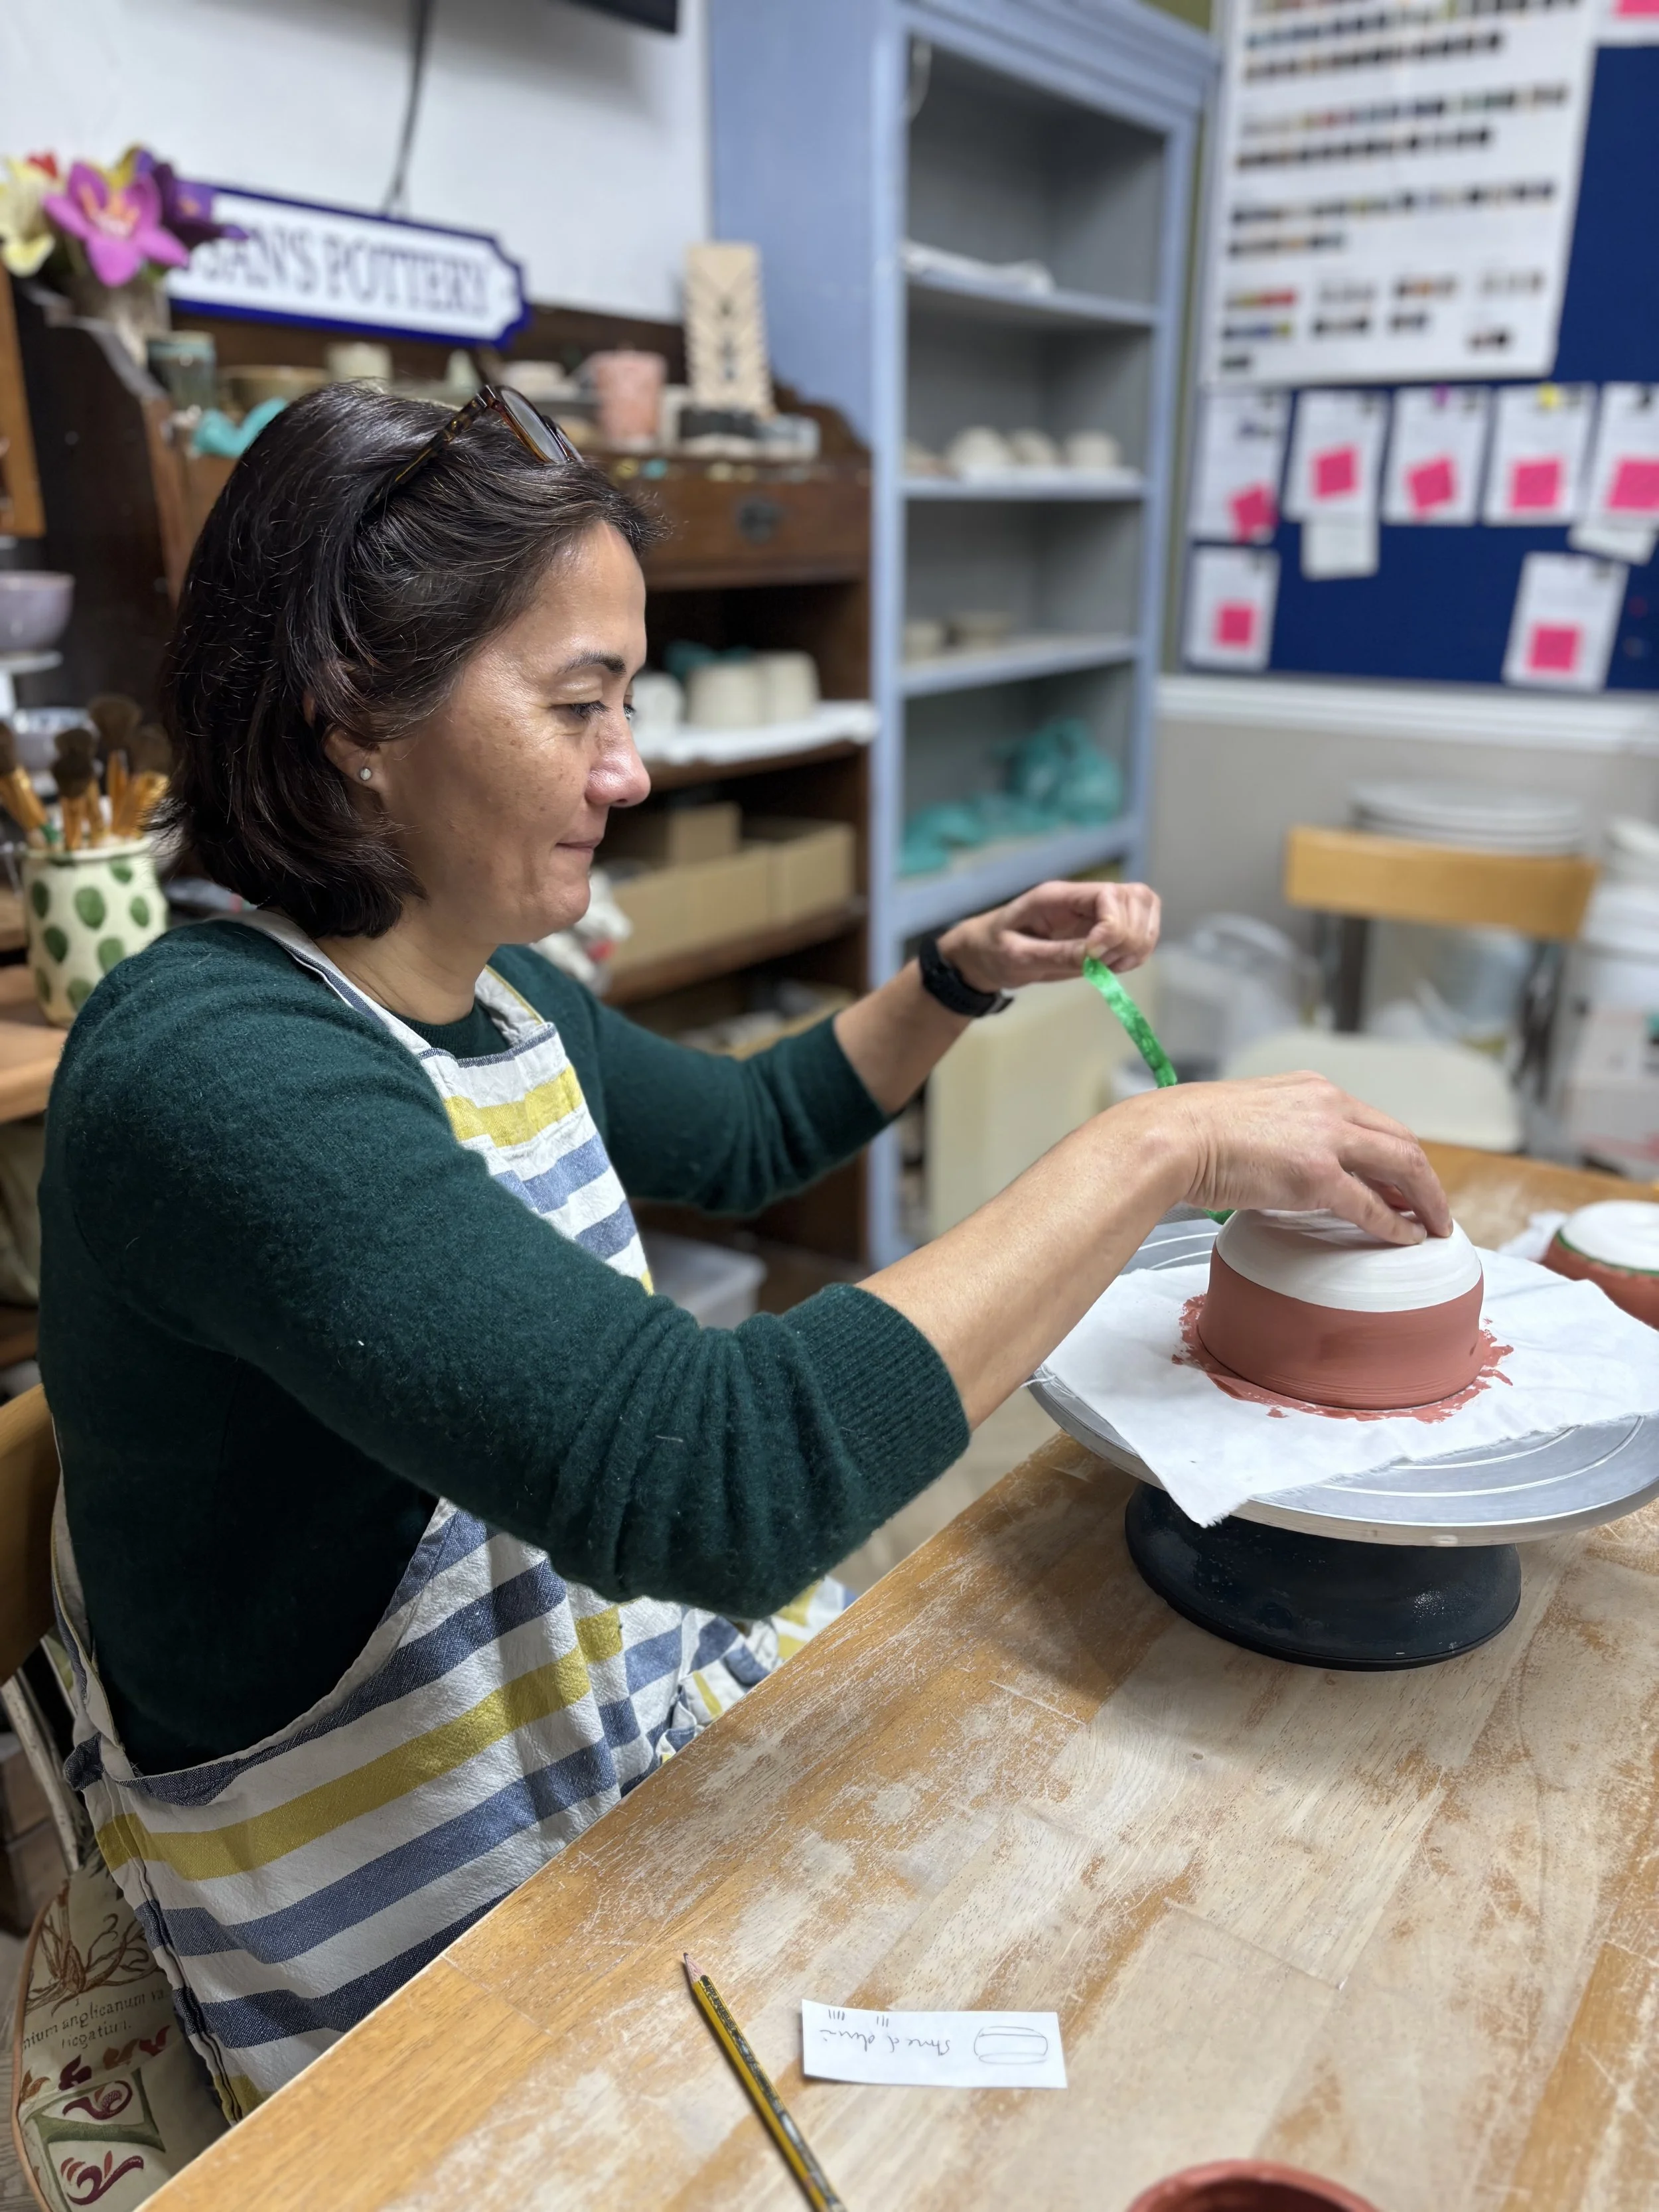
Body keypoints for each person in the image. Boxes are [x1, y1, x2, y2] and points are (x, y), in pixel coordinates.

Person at [38, 384, 1450, 2117]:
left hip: (588, 1775)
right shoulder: (214, 1070)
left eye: (627, 702)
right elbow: (709, 1483)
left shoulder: (489, 988)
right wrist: (1162, 1144)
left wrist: (955, 975)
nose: (630, 767)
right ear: (350, 714)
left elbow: (750, 1130)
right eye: (580, 705)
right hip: (406, 1945)